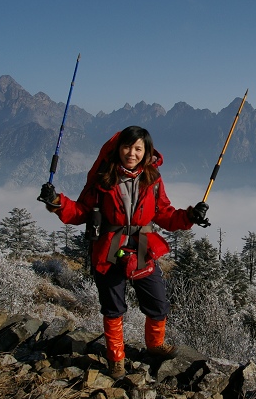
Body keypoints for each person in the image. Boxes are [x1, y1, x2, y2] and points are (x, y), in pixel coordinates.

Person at [38, 126, 209, 379]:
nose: (132, 153)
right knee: (113, 307)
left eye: (138, 148)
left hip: (141, 245)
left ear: (147, 151)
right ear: (118, 149)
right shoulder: (102, 177)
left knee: (157, 301)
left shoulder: (153, 179)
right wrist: (57, 202)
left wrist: (190, 216)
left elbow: (164, 214)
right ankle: (116, 358)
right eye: (128, 147)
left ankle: (155, 345)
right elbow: (82, 211)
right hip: (109, 246)